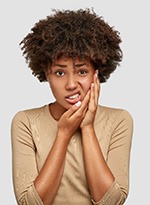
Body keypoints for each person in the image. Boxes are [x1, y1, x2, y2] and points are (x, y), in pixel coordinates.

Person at [11, 9, 133, 205]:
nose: (71, 84)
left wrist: (87, 127)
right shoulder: (25, 122)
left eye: (82, 71)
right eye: (59, 73)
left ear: (96, 73)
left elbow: (111, 202)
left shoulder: (119, 120)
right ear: (46, 74)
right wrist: (64, 133)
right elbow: (30, 203)